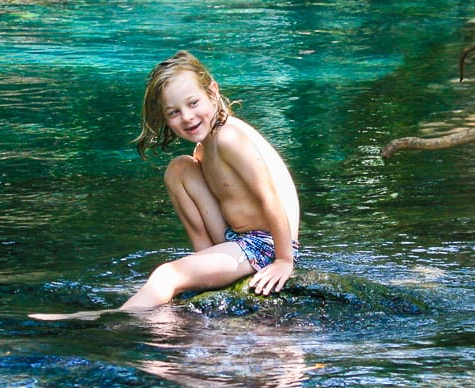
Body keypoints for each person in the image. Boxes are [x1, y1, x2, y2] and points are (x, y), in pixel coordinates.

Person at [32, 50, 299, 320]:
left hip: (266, 245)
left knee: (168, 274)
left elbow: (272, 197)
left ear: (213, 92)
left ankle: (113, 318)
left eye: (193, 103)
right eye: (174, 112)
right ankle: (205, 264)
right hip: (237, 239)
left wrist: (283, 261)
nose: (187, 117)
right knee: (179, 168)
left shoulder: (231, 137)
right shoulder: (205, 147)